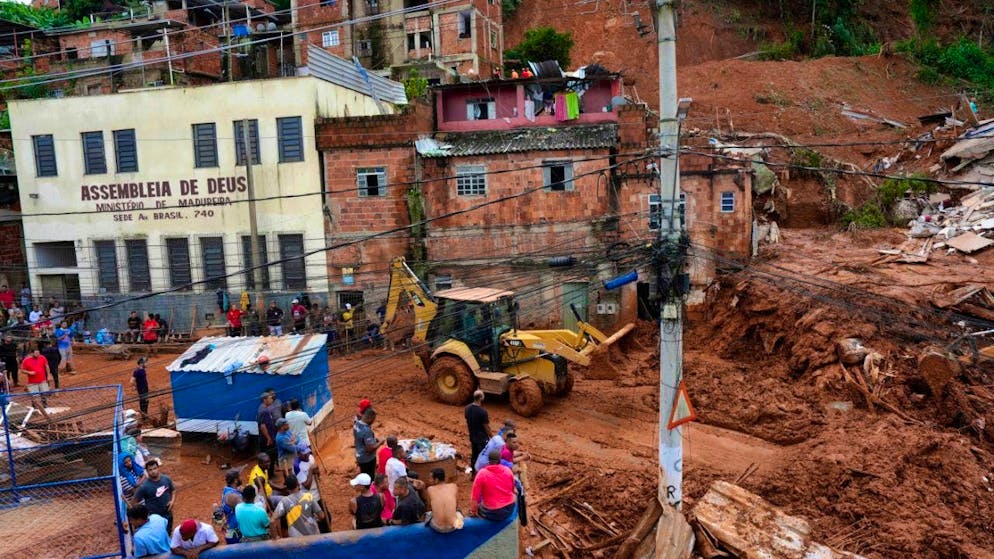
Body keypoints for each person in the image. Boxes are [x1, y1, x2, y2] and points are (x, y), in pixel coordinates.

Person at [471, 449, 516, 521]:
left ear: (488, 460)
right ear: (500, 460)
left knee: (479, 507)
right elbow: (512, 489)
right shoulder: (508, 471)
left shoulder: (482, 473)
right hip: (509, 509)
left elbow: (475, 497)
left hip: (492, 512)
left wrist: (474, 511)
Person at [294, 444, 329, 533]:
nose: (307, 455)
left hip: (317, 492)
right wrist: (311, 471)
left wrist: (317, 471)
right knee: (321, 520)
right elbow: (306, 485)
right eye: (304, 454)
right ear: (298, 454)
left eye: (308, 453)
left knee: (327, 516)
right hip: (309, 497)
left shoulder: (311, 457)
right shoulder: (297, 466)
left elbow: (317, 472)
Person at [135, 458, 176, 533]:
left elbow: (173, 490)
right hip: (154, 518)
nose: (153, 471)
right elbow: (135, 502)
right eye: (150, 470)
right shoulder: (144, 486)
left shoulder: (166, 479)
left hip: (168, 514)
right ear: (147, 471)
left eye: (155, 468)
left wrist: (172, 501)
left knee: (168, 533)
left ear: (158, 468)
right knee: (157, 534)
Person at [426, 468, 463, 533]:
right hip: (453, 527)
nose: (429, 480)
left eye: (430, 478)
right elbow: (456, 505)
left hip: (437, 528)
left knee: (428, 514)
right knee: (458, 511)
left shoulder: (430, 489)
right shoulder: (454, 486)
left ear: (436, 480)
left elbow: (429, 507)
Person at [465, 390, 491, 476]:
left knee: (474, 455)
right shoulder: (482, 411)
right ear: (481, 398)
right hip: (481, 438)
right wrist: (491, 436)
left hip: (472, 436)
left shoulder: (467, 408)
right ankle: (481, 475)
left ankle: (473, 474)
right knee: (482, 457)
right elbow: (486, 426)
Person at [353, 407, 381, 478]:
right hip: (367, 458)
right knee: (370, 477)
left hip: (359, 454)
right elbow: (370, 448)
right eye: (373, 419)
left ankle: (364, 484)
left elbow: (360, 438)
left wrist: (373, 440)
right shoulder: (367, 431)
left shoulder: (356, 423)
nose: (373, 421)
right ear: (369, 419)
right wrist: (381, 442)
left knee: (364, 473)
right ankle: (369, 487)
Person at [257, 392, 278, 477]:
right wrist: (268, 438)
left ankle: (270, 473)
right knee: (270, 456)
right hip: (267, 440)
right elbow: (263, 426)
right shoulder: (264, 411)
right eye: (270, 398)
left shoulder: (264, 409)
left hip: (268, 437)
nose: (272, 399)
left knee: (271, 455)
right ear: (265, 400)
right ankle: (269, 475)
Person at [220, 469, 242, 544]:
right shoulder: (234, 496)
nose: (241, 479)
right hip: (236, 528)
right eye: (239, 477)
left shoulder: (226, 490)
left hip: (229, 526)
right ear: (235, 480)